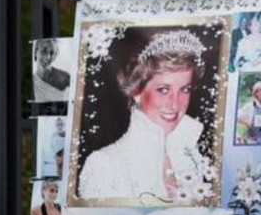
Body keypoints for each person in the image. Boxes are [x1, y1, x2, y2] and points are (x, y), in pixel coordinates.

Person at [77, 29, 209, 204]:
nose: (175, 104)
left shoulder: (192, 154)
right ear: (137, 92)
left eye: (185, 90)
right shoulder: (105, 165)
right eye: (163, 90)